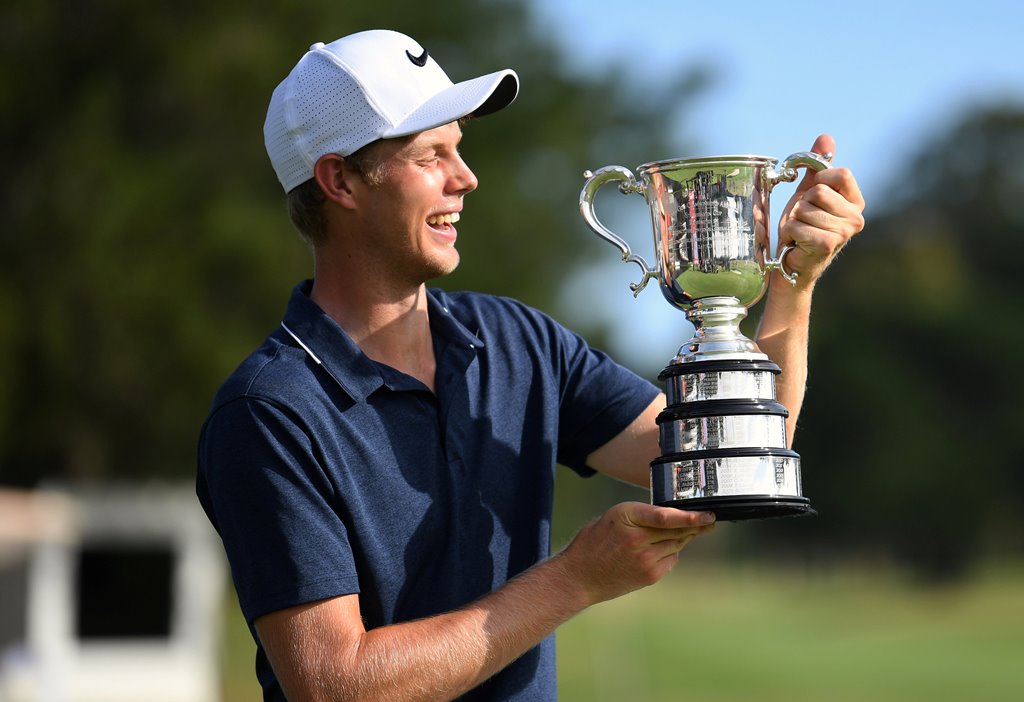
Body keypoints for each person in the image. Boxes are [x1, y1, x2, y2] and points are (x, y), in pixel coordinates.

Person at [196, 29, 865, 701]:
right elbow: (334, 686)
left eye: (458, 149)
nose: (466, 178)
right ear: (339, 180)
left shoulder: (521, 342)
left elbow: (744, 454)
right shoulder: (269, 412)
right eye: (432, 155)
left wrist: (793, 286)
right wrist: (574, 578)